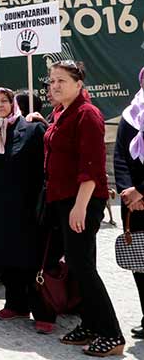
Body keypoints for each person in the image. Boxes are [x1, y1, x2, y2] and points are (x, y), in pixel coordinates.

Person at [43, 61, 124, 355]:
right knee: (80, 265)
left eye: (61, 80)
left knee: (83, 267)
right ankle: (90, 324)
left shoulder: (87, 114)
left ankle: (112, 334)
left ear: (79, 84)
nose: (54, 85)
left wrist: (80, 206)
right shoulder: (62, 113)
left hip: (82, 200)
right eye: (52, 81)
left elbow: (91, 166)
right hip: (64, 199)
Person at [0, 88, 54, 332]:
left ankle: (44, 311)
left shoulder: (31, 129)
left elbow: (45, 170)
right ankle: (16, 304)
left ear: (13, 104)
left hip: (26, 209)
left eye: (4, 101)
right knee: (6, 260)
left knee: (31, 261)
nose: (0, 106)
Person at [115, 67, 144, 341]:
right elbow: (120, 156)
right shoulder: (130, 115)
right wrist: (128, 191)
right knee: (140, 261)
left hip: (141, 197)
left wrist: (142, 191)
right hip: (133, 204)